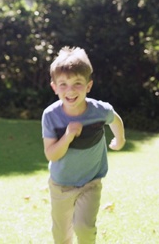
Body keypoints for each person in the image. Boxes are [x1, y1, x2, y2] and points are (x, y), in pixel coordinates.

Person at [41, 46, 125, 244]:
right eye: (63, 84)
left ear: (89, 85)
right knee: (61, 236)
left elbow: (115, 119)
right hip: (61, 184)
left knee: (85, 228)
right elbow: (51, 154)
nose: (70, 90)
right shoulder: (51, 116)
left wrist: (120, 139)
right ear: (54, 87)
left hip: (91, 182)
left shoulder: (99, 110)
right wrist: (68, 136)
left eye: (77, 83)